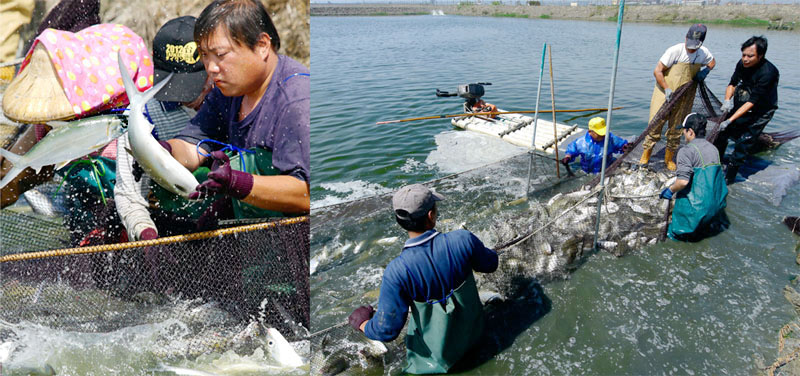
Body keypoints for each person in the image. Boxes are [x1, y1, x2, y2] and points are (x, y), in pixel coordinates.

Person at [164, 0, 310, 222]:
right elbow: (193, 147)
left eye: (220, 54)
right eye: (204, 55)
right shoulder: (227, 91)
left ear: (262, 45)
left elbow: (306, 193)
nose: (211, 68)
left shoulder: (296, 101)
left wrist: (236, 183)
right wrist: (162, 152)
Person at [348, 184, 498, 374]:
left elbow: (387, 331)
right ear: (430, 216)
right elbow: (491, 264)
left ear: (399, 221)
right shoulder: (463, 239)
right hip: (476, 335)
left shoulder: (397, 270)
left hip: (438, 360)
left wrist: (362, 323)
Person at [115, 15, 213, 243]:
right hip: (171, 224)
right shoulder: (142, 119)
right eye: (174, 87)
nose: (187, 98)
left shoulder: (233, 99)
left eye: (194, 84)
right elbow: (129, 195)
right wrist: (145, 232)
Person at [640, 24, 716, 171]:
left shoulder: (703, 53)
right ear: (685, 38)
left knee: (677, 127)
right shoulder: (675, 51)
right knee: (655, 124)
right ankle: (645, 156)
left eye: (695, 46)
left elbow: (712, 62)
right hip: (664, 94)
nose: (692, 48)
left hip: (685, 97)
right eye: (690, 44)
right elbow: (658, 71)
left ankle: (669, 159)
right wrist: (667, 89)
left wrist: (706, 70)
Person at [713, 36, 779, 185]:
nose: (745, 59)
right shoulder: (742, 64)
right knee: (722, 134)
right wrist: (727, 100)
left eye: (750, 56)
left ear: (760, 56)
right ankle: (715, 166)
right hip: (741, 102)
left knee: (743, 143)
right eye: (743, 55)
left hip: (760, 111)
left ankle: (728, 179)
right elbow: (732, 83)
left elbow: (752, 102)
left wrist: (730, 120)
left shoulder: (768, 72)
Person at [660, 113, 729, 241]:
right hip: (717, 207)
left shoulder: (686, 151)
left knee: (675, 236)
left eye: (684, 131)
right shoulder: (713, 149)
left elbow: (683, 182)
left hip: (696, 210)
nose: (683, 134)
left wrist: (670, 191)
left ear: (690, 132)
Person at [561, 117, 630, 174]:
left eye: (604, 132)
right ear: (590, 132)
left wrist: (625, 147)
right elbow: (571, 150)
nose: (603, 135)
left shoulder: (610, 138)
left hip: (607, 168)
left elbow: (621, 144)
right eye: (599, 133)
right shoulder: (581, 142)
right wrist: (568, 157)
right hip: (586, 170)